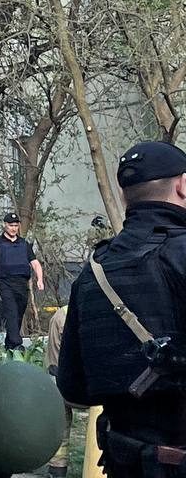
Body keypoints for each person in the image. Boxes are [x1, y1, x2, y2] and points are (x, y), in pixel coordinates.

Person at [57, 140, 186, 477]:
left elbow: (73, 387)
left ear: (124, 194)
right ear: (183, 185)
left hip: (124, 461)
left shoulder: (93, 272)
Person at [0, 211, 44, 352]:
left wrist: (40, 279)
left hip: (21, 283)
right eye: (11, 225)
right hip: (5, 283)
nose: (13, 228)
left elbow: (35, 263)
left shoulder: (24, 244)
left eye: (16, 225)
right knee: (11, 312)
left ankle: (10, 344)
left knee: (19, 313)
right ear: (5, 225)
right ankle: (17, 344)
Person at [45, 304, 73, 478]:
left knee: (61, 418)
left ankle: (57, 468)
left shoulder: (61, 315)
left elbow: (53, 363)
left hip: (63, 385)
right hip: (99, 389)